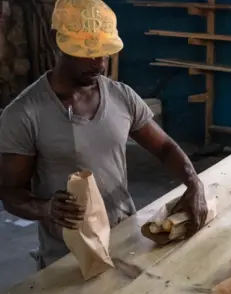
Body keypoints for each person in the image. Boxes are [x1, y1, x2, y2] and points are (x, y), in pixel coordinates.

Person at [0, 0, 208, 270]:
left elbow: (165, 147)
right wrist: (46, 208)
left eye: (104, 52)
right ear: (56, 41)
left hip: (125, 240)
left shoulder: (122, 97)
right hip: (67, 258)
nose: (98, 62)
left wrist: (194, 183)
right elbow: (10, 192)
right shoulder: (25, 114)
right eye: (87, 52)